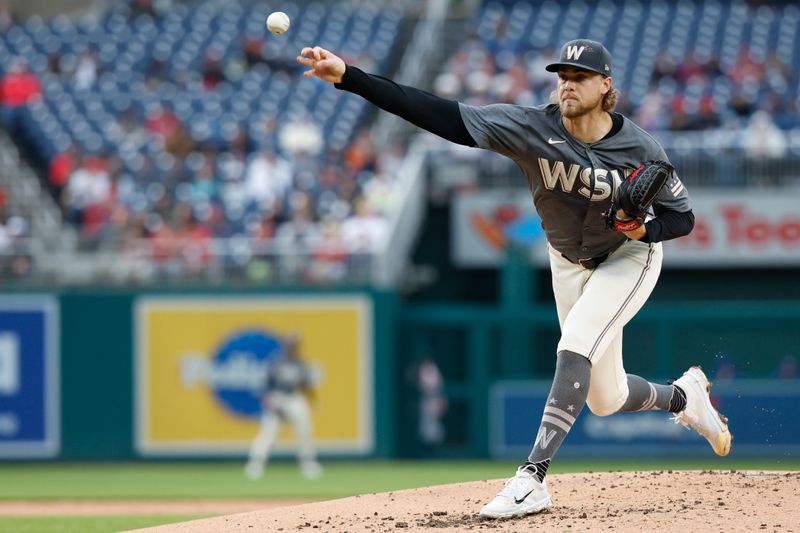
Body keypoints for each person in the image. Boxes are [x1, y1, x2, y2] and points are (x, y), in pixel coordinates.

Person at [296, 39, 732, 518]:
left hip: (630, 256)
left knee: (575, 346)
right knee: (606, 399)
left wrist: (644, 228)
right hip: (566, 259)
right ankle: (683, 397)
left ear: (605, 85)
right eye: (562, 76)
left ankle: (532, 478)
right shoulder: (531, 127)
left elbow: (682, 218)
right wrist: (349, 77)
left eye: (579, 77)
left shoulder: (641, 147)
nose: (566, 85)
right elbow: (441, 115)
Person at [245, 334, 323, 480]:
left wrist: (312, 400)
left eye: (295, 345)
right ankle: (255, 464)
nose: (293, 347)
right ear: (286, 346)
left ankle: (308, 463)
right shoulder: (277, 362)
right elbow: (267, 384)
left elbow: (306, 385)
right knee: (268, 432)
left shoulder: (300, 363)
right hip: (277, 397)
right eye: (291, 344)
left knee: (304, 429)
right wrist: (268, 399)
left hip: (293, 397)